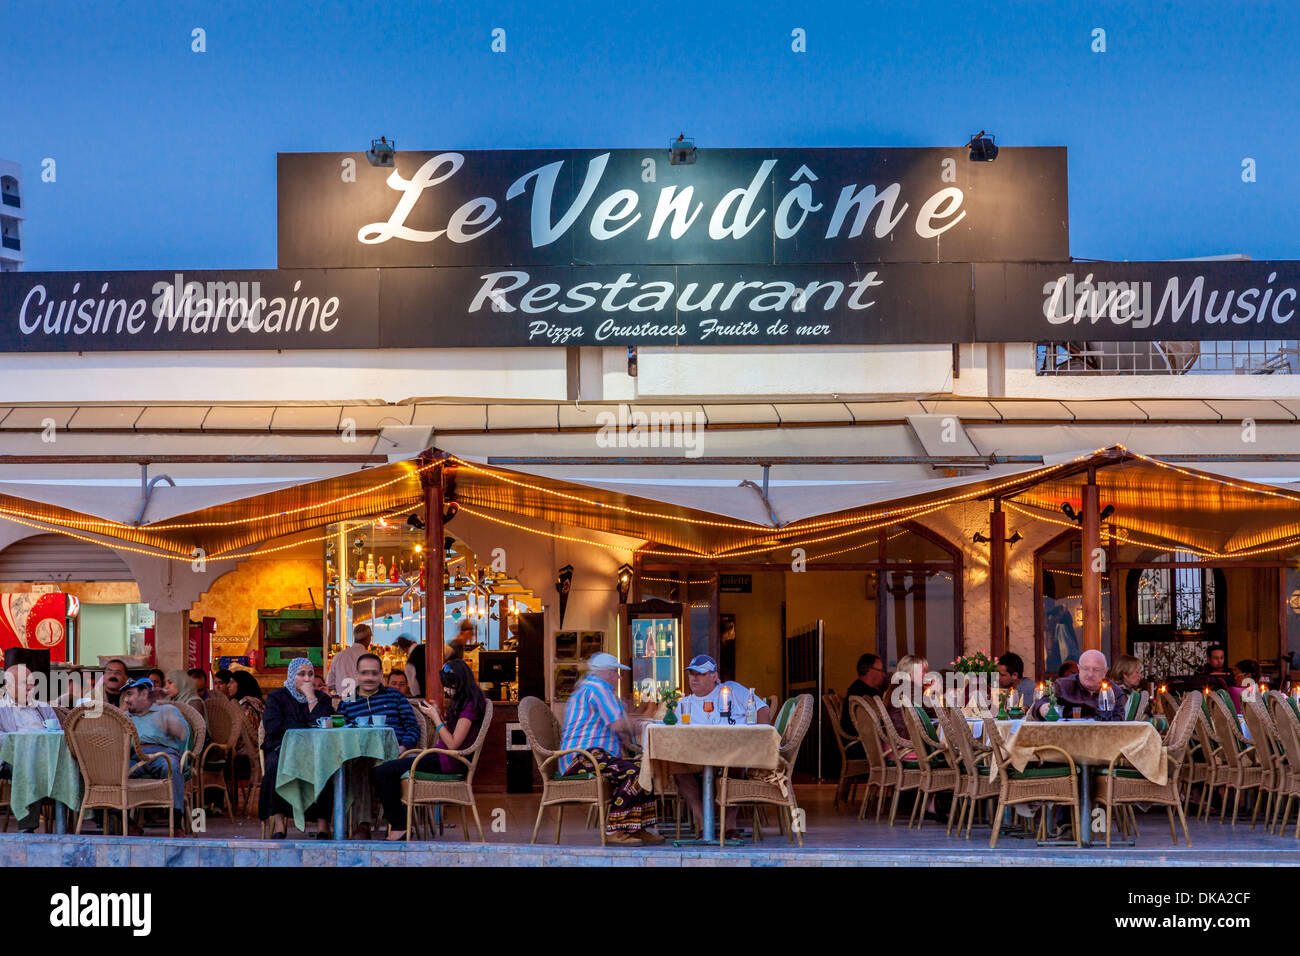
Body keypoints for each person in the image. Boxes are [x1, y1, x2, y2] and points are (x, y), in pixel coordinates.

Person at [372, 659, 487, 841]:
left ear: (460, 682)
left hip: (448, 761)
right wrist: (439, 715)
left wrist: (435, 718)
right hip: (441, 757)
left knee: (382, 772)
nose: (447, 691)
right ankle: (400, 824)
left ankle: (400, 826)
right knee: (387, 769)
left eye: (449, 686)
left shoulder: (469, 706)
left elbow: (453, 744)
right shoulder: (466, 702)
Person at [556, 652, 661, 845]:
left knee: (645, 768)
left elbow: (619, 728)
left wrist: (633, 723)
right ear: (606, 672)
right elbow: (619, 725)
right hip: (582, 757)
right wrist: (645, 722)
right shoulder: (598, 688)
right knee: (636, 773)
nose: (619, 676)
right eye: (616, 672)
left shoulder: (592, 688)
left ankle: (638, 828)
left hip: (588, 756)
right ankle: (615, 831)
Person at [672, 655, 770, 841]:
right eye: (691, 674)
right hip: (697, 756)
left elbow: (762, 710)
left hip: (733, 752)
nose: (694, 678)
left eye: (700, 674)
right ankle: (703, 823)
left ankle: (729, 826)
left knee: (736, 764)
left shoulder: (732, 690)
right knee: (678, 768)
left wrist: (760, 737)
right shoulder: (684, 704)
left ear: (714, 676)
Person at [259, 658, 334, 839]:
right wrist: (304, 723)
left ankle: (323, 825)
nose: (307, 679)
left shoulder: (321, 699)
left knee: (327, 766)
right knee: (275, 766)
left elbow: (323, 724)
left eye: (310, 674)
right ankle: (279, 825)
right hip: (282, 747)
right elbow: (273, 726)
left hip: (314, 749)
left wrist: (310, 699)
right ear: (292, 676)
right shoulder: (277, 697)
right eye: (301, 674)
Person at [120, 678, 188, 824]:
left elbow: (183, 735)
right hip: (135, 757)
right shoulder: (125, 717)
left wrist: (170, 723)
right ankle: (128, 823)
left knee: (172, 768)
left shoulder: (166, 710)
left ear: (144, 694)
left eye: (130, 694)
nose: (126, 699)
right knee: (111, 774)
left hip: (162, 754)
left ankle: (176, 821)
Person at [0, 664, 57, 831]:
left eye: (32, 682)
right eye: (25, 683)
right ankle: (27, 828)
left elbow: (57, 732)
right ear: (9, 686)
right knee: (30, 767)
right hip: (12, 759)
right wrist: (23, 741)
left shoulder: (43, 707)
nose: (31, 687)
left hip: (45, 756)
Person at [1032, 648, 1127, 721]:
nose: (1090, 674)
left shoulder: (1114, 692)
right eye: (1085, 668)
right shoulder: (1063, 685)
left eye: (1096, 670)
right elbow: (1040, 703)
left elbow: (1118, 721)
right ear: (1078, 668)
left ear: (1105, 671)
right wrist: (1042, 708)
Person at [840, 653, 887, 753]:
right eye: (880, 670)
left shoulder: (857, 687)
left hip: (854, 741)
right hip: (857, 744)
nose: (883, 674)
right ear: (869, 671)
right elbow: (876, 725)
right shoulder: (865, 694)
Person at [326, 623, 373, 697]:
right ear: (368, 638)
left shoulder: (339, 656)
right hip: (365, 703)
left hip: (345, 702)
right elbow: (380, 685)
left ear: (355, 637)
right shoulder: (372, 658)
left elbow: (330, 683)